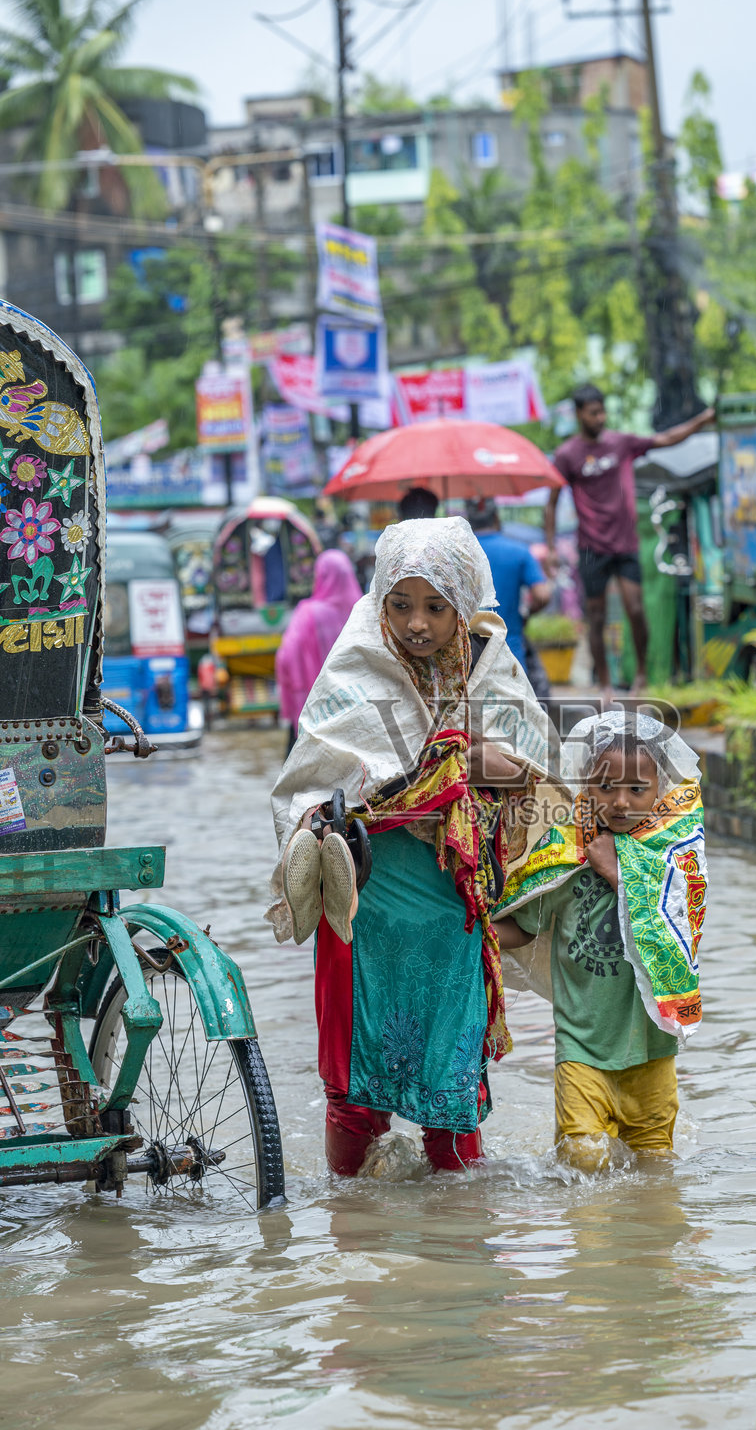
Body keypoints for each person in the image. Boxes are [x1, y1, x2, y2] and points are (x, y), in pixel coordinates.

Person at [268, 517, 560, 1176]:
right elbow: (307, 786)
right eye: (400, 606)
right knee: (355, 1090)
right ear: (378, 603)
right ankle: (355, 1227)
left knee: (451, 1090)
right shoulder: (354, 672)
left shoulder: (491, 671)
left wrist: (481, 762)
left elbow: (536, 775)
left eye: (435, 606)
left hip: (450, 911)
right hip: (364, 907)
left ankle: (461, 1241)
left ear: (466, 604)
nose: (417, 623)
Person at [494, 711, 707, 1172]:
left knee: (655, 1176)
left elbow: (673, 930)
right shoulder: (563, 855)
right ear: (585, 790)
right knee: (582, 1163)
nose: (621, 802)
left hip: (653, 1052)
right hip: (582, 1050)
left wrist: (615, 872)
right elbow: (524, 927)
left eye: (637, 789)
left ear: (661, 792)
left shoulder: (672, 864)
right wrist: (475, 932)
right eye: (606, 788)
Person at [548, 384, 716, 693]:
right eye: (593, 412)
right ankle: (606, 684)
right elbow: (552, 501)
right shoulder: (567, 454)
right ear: (579, 414)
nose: (600, 418)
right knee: (595, 617)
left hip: (625, 544)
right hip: (591, 547)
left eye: (602, 411)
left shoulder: (620, 443)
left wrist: (702, 422)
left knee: (635, 610)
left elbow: (665, 439)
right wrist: (549, 548)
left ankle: (641, 672)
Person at [275, 549, 361, 752]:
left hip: (314, 712)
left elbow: (286, 657)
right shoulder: (363, 610)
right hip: (357, 713)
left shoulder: (307, 615)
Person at [464, 496, 551, 671]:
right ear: (496, 517)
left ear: (468, 520)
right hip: (509, 652)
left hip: (467, 653)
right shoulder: (519, 551)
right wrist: (525, 614)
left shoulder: (461, 553)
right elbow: (543, 595)